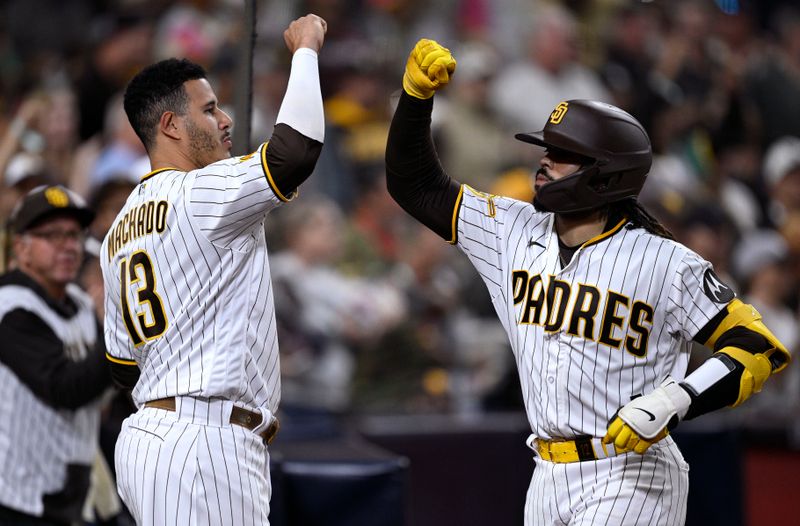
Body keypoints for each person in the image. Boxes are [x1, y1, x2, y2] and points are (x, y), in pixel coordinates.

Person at [385, 39, 792, 525]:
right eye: (546, 149)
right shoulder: (509, 228)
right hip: (546, 474)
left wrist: (675, 398)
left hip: (630, 474)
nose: (543, 162)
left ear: (605, 174)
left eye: (561, 154)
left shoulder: (664, 261)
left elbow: (758, 346)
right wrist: (414, 99)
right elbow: (417, 185)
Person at [100, 14, 326, 526]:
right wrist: (306, 52)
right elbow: (295, 154)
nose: (224, 120)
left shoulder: (115, 233)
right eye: (209, 109)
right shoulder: (199, 193)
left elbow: (122, 367)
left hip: (156, 439)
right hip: (204, 443)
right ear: (170, 125)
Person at [0, 184, 113, 525]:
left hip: (69, 488)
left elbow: (107, 389)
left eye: (74, 235)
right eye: (52, 235)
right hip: (17, 498)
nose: (68, 246)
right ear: (21, 246)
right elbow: (65, 388)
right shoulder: (11, 307)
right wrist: (119, 331)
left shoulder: (80, 302)